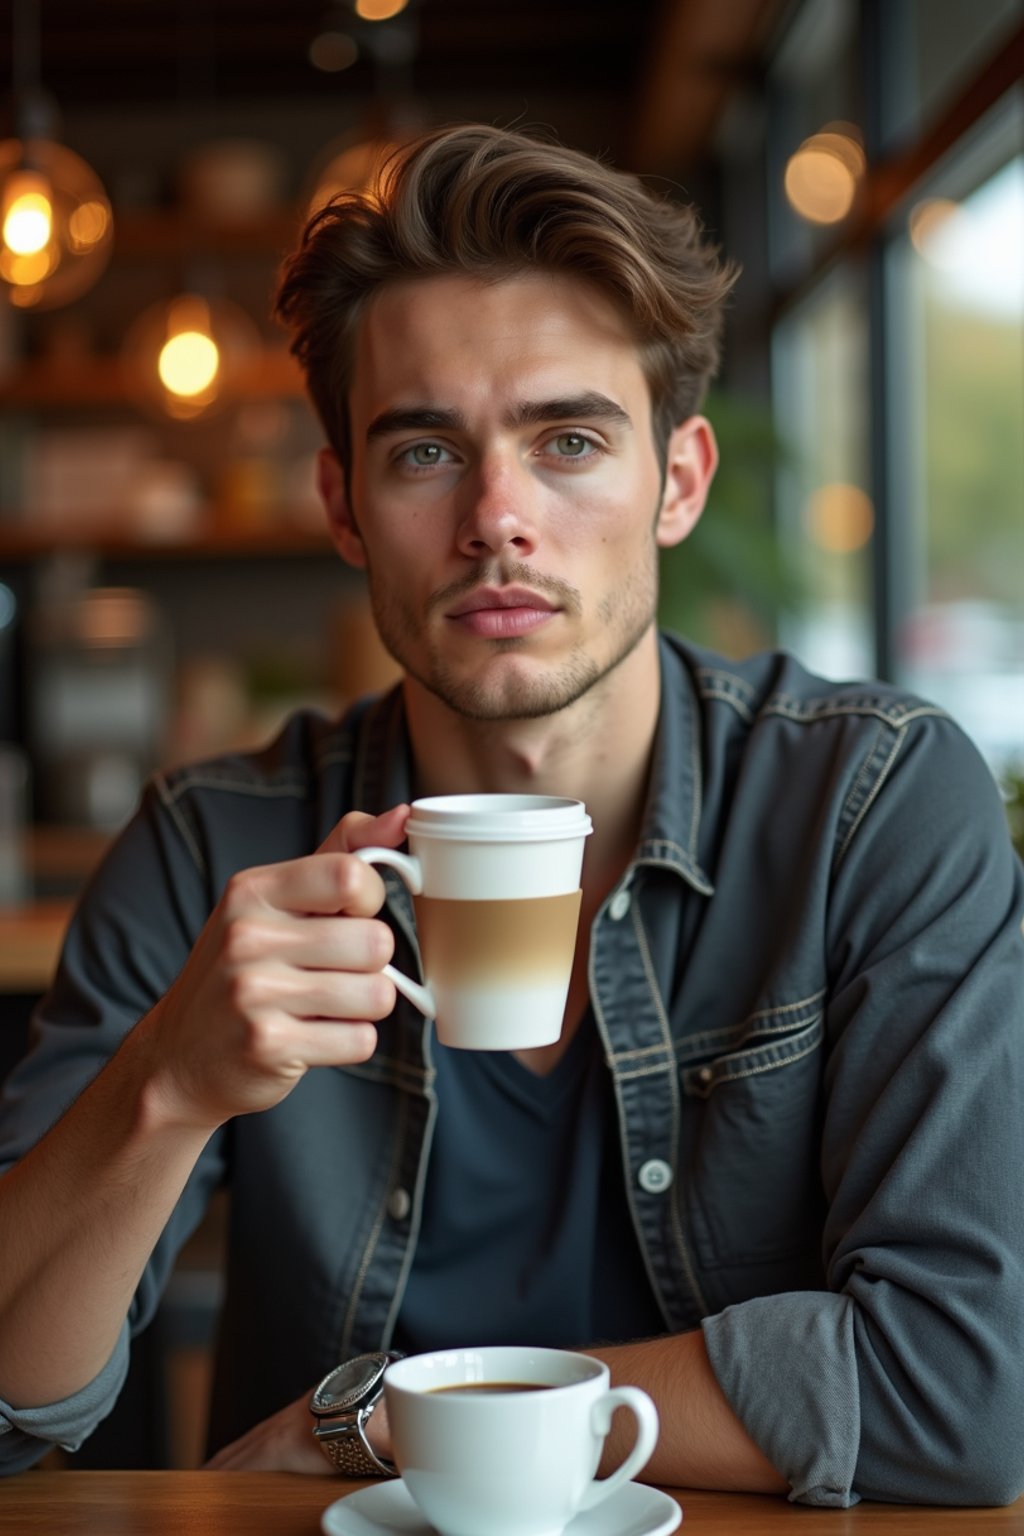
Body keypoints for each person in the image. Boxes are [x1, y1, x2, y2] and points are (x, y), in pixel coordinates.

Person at [1, 123, 1022, 1507]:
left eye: (570, 440)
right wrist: (164, 1087)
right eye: (425, 452)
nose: (498, 517)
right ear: (344, 504)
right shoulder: (214, 847)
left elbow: (961, 1384)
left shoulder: (868, 807)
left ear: (678, 481)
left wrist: (383, 1426)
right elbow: (12, 1404)